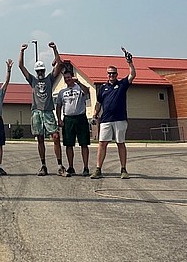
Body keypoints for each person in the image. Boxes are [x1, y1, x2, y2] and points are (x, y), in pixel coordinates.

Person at [18, 41, 65, 175]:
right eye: (38, 70)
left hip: (48, 111)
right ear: (36, 71)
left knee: (55, 136)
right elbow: (21, 66)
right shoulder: (32, 80)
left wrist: (55, 49)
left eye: (42, 70)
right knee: (40, 139)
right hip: (36, 112)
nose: (40, 72)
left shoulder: (49, 79)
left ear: (44, 71)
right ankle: (43, 165)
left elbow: (59, 64)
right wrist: (22, 51)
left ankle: (60, 165)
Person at [92, 47, 136, 179]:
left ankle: (123, 169)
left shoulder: (122, 84)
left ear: (117, 74)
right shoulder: (102, 88)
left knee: (120, 143)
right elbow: (98, 103)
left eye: (113, 73)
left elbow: (132, 75)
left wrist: (129, 62)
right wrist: (95, 114)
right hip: (106, 120)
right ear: (107, 75)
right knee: (102, 144)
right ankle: (98, 169)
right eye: (109, 73)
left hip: (120, 119)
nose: (111, 76)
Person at [54, 61, 91, 177]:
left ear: (72, 77)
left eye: (69, 77)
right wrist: (59, 119)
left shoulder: (79, 88)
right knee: (69, 144)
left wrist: (78, 82)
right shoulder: (62, 92)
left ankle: (85, 167)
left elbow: (87, 91)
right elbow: (58, 106)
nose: (67, 79)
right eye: (65, 78)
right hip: (68, 119)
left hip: (80, 118)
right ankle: (71, 167)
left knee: (84, 144)